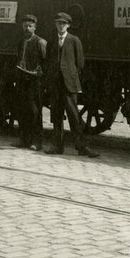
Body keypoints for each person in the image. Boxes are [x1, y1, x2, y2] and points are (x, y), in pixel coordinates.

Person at [46, 12, 96, 157]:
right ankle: (57, 146)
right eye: (58, 23)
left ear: (68, 25)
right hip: (56, 83)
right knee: (56, 115)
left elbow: (80, 63)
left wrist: (72, 78)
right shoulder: (51, 40)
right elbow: (48, 60)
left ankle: (81, 147)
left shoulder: (74, 40)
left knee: (74, 116)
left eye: (63, 23)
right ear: (56, 24)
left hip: (69, 85)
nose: (60, 26)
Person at [13, 14, 48, 149]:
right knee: (22, 110)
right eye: (25, 26)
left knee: (34, 111)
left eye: (30, 26)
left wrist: (41, 74)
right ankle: (23, 139)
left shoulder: (40, 42)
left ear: (35, 27)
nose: (27, 28)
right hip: (22, 80)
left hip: (35, 81)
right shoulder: (21, 41)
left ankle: (37, 142)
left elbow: (46, 62)